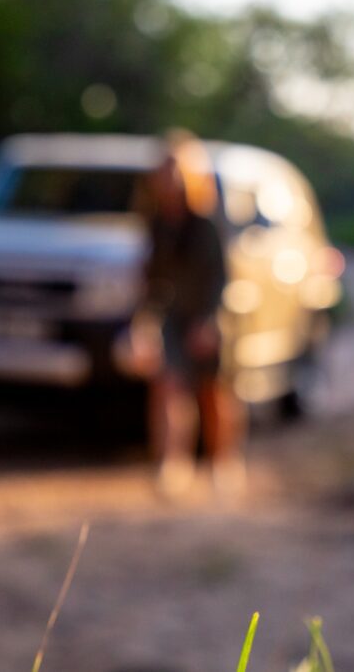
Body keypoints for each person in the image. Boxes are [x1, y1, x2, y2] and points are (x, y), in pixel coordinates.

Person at [132, 130, 247, 498]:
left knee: (213, 393)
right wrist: (143, 323)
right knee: (167, 387)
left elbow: (222, 275)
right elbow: (149, 278)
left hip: (208, 316)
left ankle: (222, 463)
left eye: (176, 170)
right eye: (164, 171)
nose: (169, 179)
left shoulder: (206, 222)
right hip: (174, 316)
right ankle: (171, 465)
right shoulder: (156, 222)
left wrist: (210, 321)